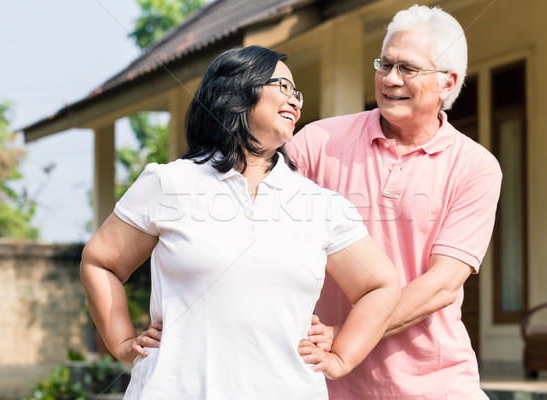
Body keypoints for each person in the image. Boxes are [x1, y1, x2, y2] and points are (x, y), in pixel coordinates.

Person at [80, 45, 400, 400]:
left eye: (298, 93)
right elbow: (100, 261)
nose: (295, 100)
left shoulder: (319, 204)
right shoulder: (169, 183)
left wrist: (341, 356)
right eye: (282, 86)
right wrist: (123, 341)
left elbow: (381, 286)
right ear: (236, 90)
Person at [287, 5, 502, 400]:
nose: (389, 79)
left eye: (408, 68)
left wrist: (346, 334)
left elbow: (441, 285)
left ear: (448, 83)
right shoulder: (318, 143)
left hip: (435, 383)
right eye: (384, 64)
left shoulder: (476, 167)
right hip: (327, 385)